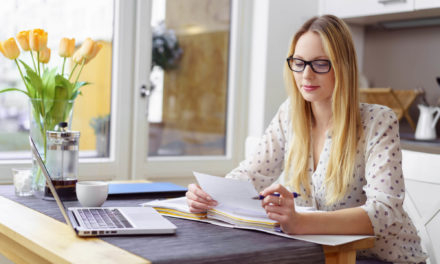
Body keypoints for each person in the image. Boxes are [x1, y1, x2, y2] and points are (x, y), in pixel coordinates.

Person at [185, 15, 427, 263]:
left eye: (320, 64)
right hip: (324, 255)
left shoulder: (378, 121)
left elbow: (385, 213)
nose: (306, 75)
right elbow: (253, 173)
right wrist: (211, 194)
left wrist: (300, 222)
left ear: (343, 67)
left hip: (381, 259)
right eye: (299, 63)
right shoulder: (289, 114)